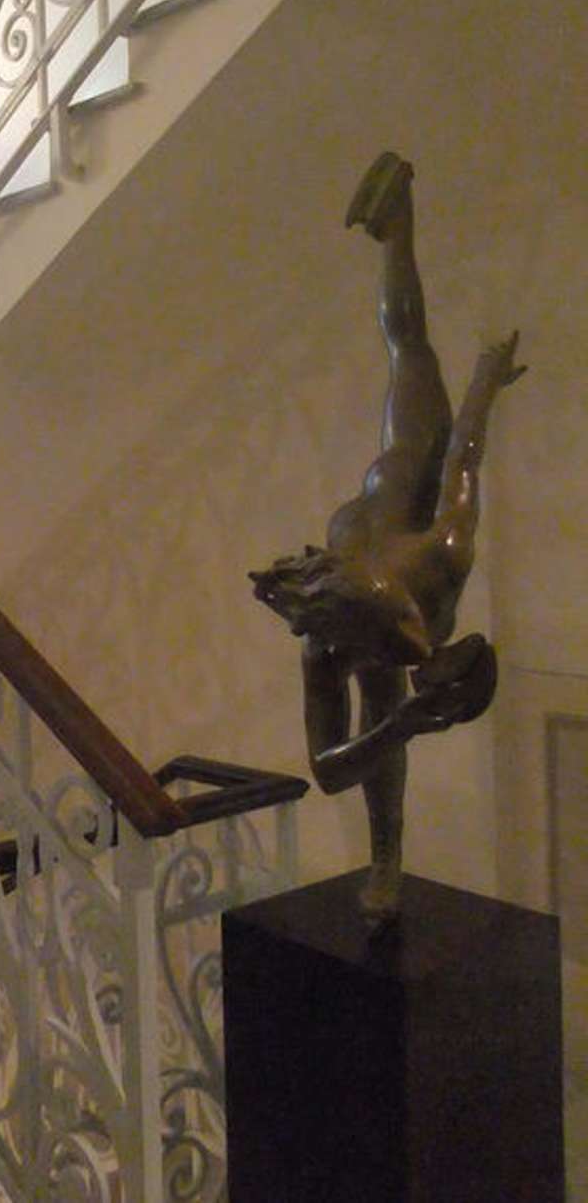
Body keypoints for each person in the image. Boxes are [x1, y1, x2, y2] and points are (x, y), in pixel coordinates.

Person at [249, 152, 525, 929]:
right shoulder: (418, 574)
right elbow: (461, 455)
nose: (416, 653)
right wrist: (485, 379)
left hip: (391, 482)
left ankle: (385, 862)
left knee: (409, 347)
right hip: (399, 479)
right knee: (408, 346)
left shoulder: (409, 579)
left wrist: (486, 380)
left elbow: (329, 769)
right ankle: (396, 215)